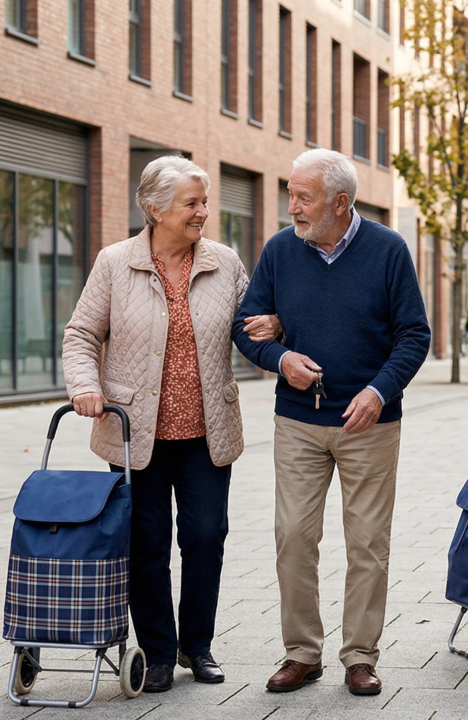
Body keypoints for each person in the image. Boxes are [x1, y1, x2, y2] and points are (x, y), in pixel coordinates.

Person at [63, 155, 278, 692]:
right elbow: (81, 335)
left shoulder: (225, 263)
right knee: (146, 543)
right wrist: (85, 387)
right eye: (192, 203)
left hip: (206, 432)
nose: (203, 211)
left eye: (205, 202)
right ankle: (158, 651)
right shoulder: (115, 263)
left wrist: (274, 326)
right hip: (136, 434)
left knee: (206, 537)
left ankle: (196, 645)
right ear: (155, 208)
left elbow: (250, 332)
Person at [233, 149, 431, 696]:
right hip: (297, 420)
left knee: (367, 543)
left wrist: (378, 390)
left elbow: (415, 335)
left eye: (303, 197)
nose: (291, 206)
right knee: (293, 536)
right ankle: (302, 653)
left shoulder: (388, 250)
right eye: (290, 194)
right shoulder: (279, 250)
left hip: (369, 423)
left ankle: (360, 657)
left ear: (340, 203)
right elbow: (244, 326)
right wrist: (280, 360)